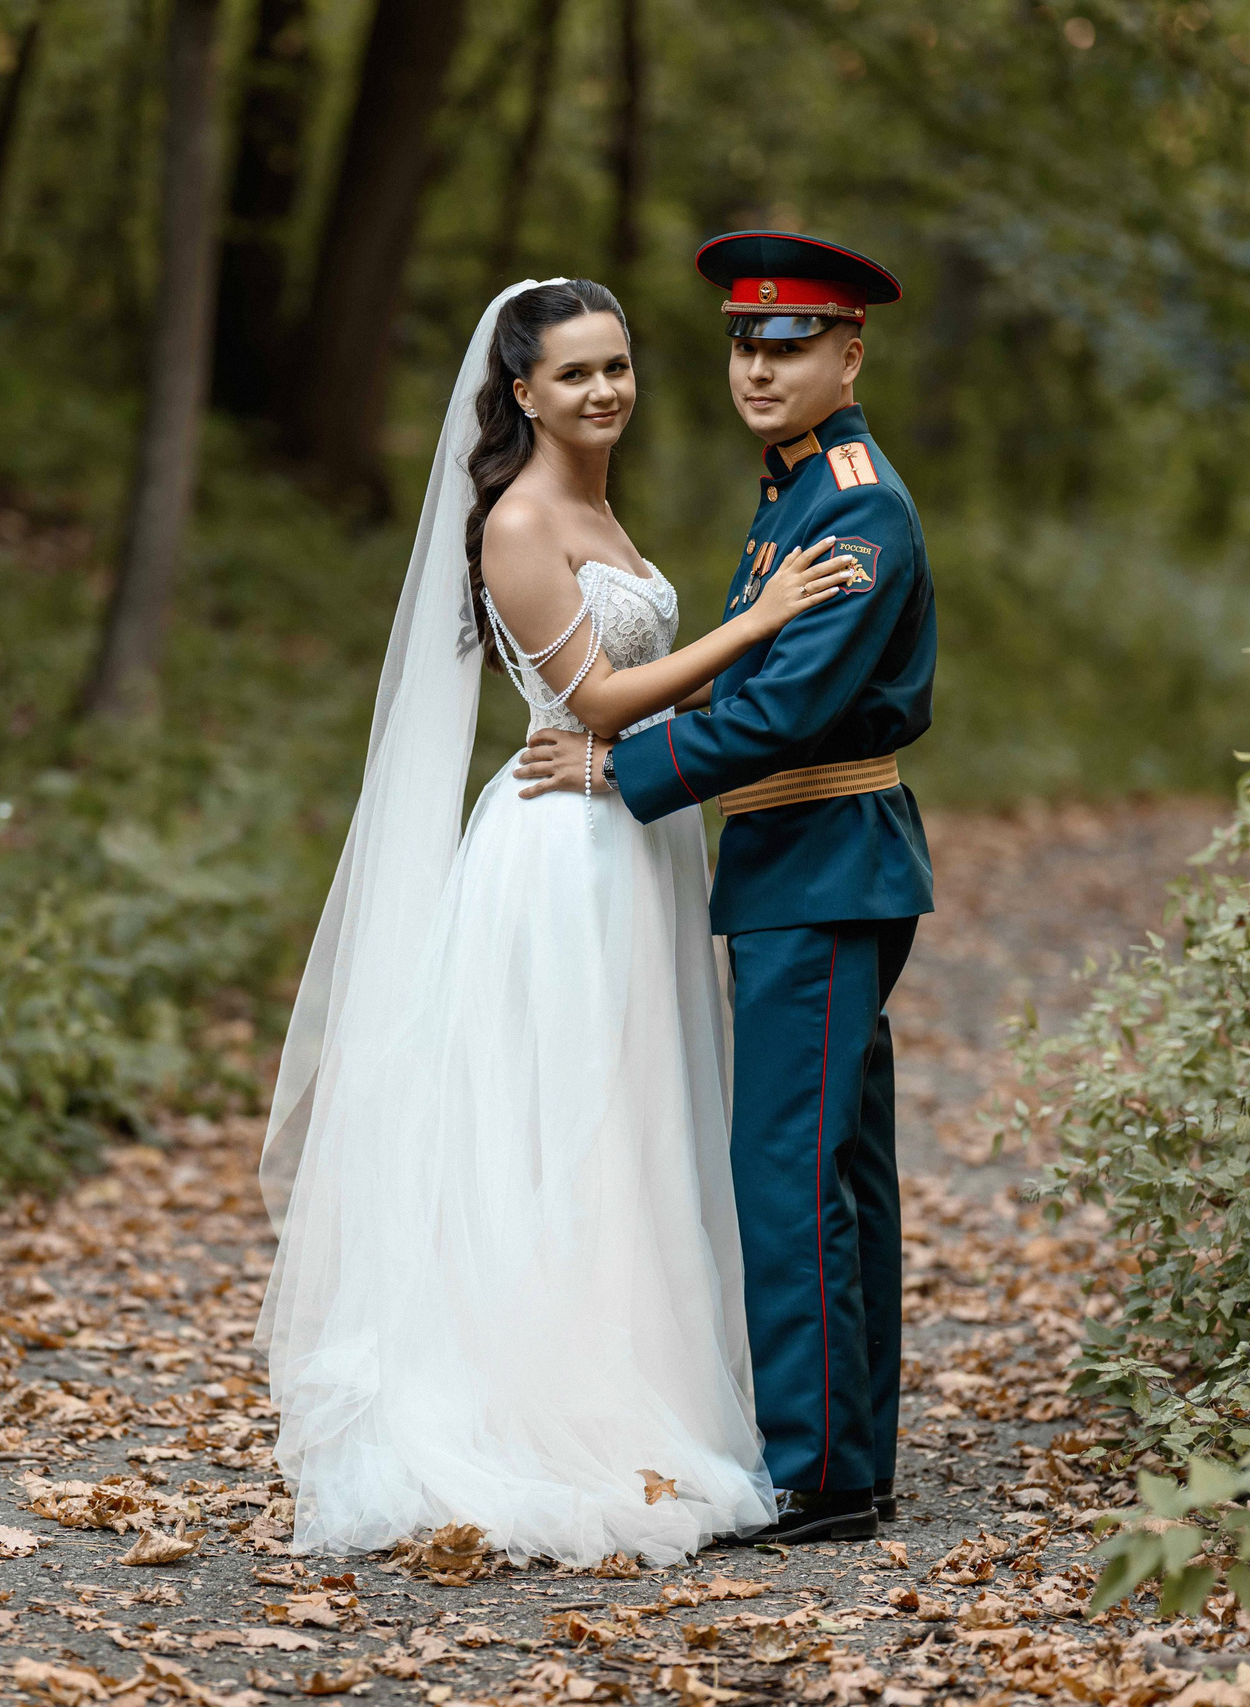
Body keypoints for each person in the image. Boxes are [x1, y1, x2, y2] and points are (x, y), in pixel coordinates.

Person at [256, 278, 859, 1565]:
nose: (604, 391)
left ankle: (641, 1389)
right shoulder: (521, 519)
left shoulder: (595, 504)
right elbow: (591, 702)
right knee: (574, 1115)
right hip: (565, 845)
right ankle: (550, 1416)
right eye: (576, 374)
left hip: (634, 838)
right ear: (520, 392)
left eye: (618, 367)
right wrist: (757, 621)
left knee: (637, 1113)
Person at [519, 234, 937, 1545]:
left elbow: (787, 709)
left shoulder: (855, 504)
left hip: (821, 857)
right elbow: (761, 684)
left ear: (849, 354)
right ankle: (843, 1455)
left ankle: (817, 1472)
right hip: (805, 859)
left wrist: (616, 762)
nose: (761, 364)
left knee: (793, 1172)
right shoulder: (798, 489)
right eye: (745, 342)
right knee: (836, 1166)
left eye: (793, 342)